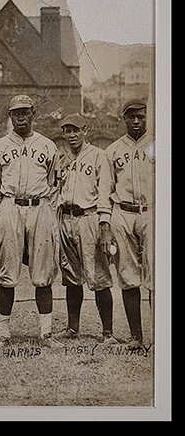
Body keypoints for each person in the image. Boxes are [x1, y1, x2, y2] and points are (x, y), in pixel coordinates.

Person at [0, 94, 61, 348]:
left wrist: (47, 211)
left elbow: (53, 184)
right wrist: (0, 213)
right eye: (15, 112)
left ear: (33, 114)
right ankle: (3, 334)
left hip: (40, 207)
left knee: (42, 273)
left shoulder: (48, 146)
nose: (20, 116)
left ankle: (46, 333)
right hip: (10, 206)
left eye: (25, 112)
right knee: (7, 273)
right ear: (10, 116)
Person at [55, 114, 119, 344]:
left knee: (98, 276)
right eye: (67, 131)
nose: (71, 135)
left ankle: (108, 333)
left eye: (75, 131)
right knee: (71, 276)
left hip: (89, 217)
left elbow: (105, 193)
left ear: (85, 131)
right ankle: (73, 328)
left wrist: (104, 225)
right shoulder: (62, 159)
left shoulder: (99, 156)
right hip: (67, 218)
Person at [105, 99, 155, 350]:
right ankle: (137, 337)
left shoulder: (158, 145)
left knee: (157, 274)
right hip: (122, 212)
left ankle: (159, 338)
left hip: (153, 212)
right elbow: (106, 190)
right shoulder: (113, 150)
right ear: (123, 119)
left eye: (141, 116)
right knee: (127, 275)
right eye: (131, 117)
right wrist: (106, 227)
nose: (136, 121)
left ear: (148, 117)